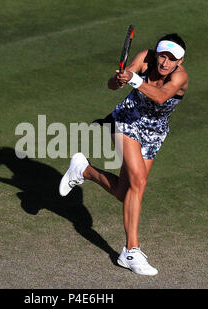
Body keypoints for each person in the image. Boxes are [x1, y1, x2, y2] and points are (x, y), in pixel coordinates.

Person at [59, 33, 189, 276]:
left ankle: (84, 170)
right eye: (163, 56)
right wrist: (118, 79)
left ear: (179, 62)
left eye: (172, 59)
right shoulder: (144, 58)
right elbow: (114, 83)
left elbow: (160, 97)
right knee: (139, 182)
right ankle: (131, 251)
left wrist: (133, 80)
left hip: (154, 134)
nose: (165, 63)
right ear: (156, 52)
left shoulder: (181, 77)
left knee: (125, 192)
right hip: (126, 121)